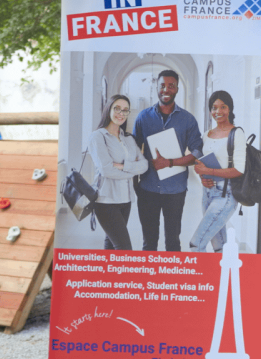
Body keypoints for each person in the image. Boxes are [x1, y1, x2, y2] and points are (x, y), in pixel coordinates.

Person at [134, 70, 203, 252]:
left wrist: (170, 163)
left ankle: (171, 280)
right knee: (149, 243)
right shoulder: (143, 117)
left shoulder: (188, 119)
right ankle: (149, 280)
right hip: (148, 188)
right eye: (162, 85)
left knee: (173, 242)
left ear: (177, 89)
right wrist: (137, 183)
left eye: (171, 86)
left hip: (175, 190)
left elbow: (197, 152)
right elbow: (133, 150)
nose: (166, 89)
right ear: (157, 88)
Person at [87, 95, 148, 251]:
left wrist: (122, 166)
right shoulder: (98, 137)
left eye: (125, 110)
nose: (121, 113)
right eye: (117, 109)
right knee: (124, 248)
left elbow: (144, 165)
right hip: (105, 200)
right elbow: (106, 170)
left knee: (111, 243)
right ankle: (123, 276)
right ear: (109, 109)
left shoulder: (128, 139)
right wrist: (132, 171)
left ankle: (107, 275)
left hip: (125, 199)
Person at [189, 91, 245, 252]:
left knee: (196, 244)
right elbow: (200, 162)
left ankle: (201, 277)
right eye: (214, 108)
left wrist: (209, 171)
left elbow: (238, 170)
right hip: (207, 194)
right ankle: (220, 277)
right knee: (219, 246)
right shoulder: (207, 134)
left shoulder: (237, 133)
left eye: (223, 107)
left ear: (229, 109)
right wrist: (202, 176)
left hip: (225, 195)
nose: (218, 111)